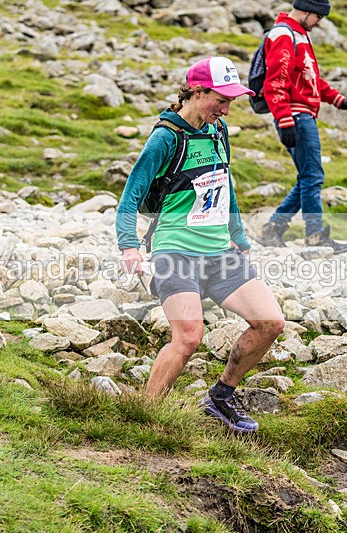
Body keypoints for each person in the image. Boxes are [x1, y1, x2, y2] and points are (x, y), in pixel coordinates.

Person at [115, 56, 285, 433]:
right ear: (196, 91)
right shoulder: (165, 138)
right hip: (174, 252)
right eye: (220, 100)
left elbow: (226, 186)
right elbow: (129, 198)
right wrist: (129, 245)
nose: (226, 109)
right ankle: (146, 416)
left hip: (219, 251)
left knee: (270, 322)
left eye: (230, 101)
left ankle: (221, 396)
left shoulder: (217, 130)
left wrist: (239, 237)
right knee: (189, 337)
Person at [255, 0, 347, 251]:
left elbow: (311, 80)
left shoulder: (299, 35)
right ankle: (315, 236)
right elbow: (275, 81)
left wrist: (340, 101)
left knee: (308, 177)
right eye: (318, 17)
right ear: (306, 10)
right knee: (312, 176)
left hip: (301, 115)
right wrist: (284, 119)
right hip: (296, 116)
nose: (320, 22)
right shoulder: (283, 34)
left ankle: (273, 229)